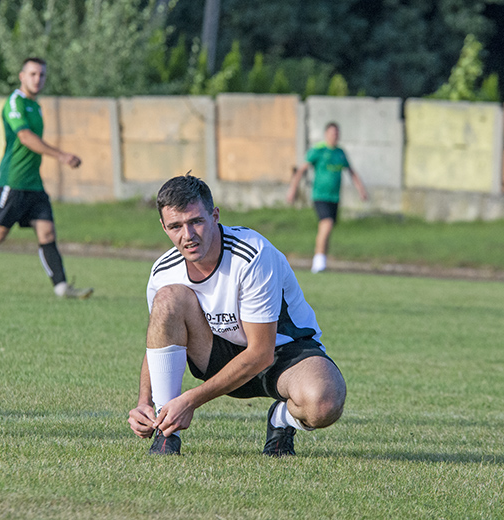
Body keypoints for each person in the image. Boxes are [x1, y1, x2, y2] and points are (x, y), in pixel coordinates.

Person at [127, 174, 346, 456]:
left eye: (196, 221)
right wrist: (144, 402)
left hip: (281, 353)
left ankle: (281, 419)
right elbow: (159, 342)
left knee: (325, 403)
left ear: (215, 216)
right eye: (175, 226)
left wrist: (190, 400)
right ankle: (166, 430)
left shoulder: (253, 254)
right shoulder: (163, 271)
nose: (188, 235)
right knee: (168, 298)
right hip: (216, 354)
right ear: (163, 226)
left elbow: (261, 353)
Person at [0, 57, 93, 299]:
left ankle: (61, 288)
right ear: (22, 76)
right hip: (13, 181)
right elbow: (25, 137)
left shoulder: (35, 105)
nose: (38, 79)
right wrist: (61, 156)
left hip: (33, 184)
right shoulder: (15, 102)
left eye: (42, 75)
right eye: (33, 74)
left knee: (47, 233)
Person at [286, 122, 368, 273]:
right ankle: (318, 262)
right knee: (327, 224)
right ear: (326, 134)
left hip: (334, 197)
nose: (334, 136)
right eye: (332, 133)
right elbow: (301, 170)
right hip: (320, 195)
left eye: (337, 133)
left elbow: (351, 172)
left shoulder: (340, 153)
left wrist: (361, 189)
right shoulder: (318, 150)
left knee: (327, 228)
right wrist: (293, 189)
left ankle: (322, 260)